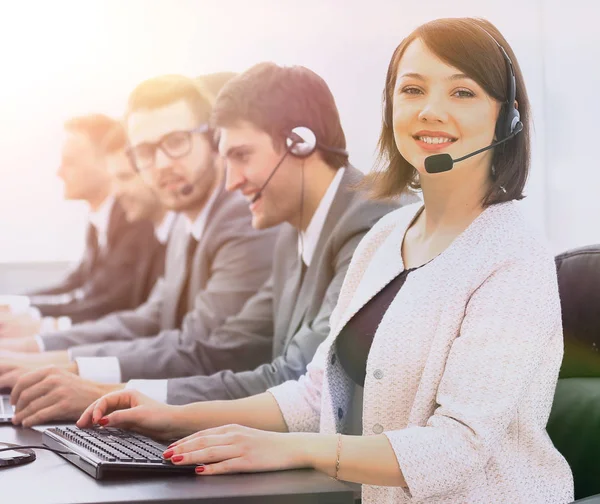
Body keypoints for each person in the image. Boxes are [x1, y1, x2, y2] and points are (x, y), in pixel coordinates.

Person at [78, 18, 574, 504]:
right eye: (413, 90)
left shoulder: (512, 256)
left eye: (461, 93)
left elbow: (456, 447)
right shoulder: (386, 237)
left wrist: (290, 449)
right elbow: (315, 396)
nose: (430, 111)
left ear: (507, 118)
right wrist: (169, 416)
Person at [6, 62, 409, 426]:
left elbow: (298, 378)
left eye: (242, 155)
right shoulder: (290, 232)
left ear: (300, 143)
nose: (231, 181)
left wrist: (116, 397)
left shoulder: (372, 221)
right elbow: (224, 345)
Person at [0, 74, 278, 394]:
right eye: (144, 151)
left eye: (176, 142)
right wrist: (36, 348)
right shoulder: (183, 223)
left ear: (214, 140)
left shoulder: (241, 218)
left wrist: (69, 367)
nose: (160, 164)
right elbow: (147, 319)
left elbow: (199, 346)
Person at [0, 114, 163, 339]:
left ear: (105, 163)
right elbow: (77, 283)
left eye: (70, 161)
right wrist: (16, 306)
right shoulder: (98, 219)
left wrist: (42, 324)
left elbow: (109, 300)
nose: (59, 172)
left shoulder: (135, 219)